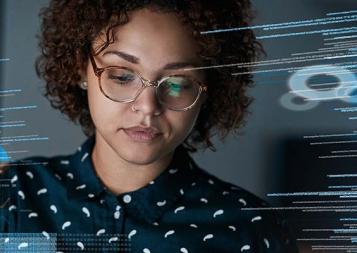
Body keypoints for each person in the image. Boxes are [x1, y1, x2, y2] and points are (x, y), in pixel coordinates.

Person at [0, 0, 298, 252]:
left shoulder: (253, 229)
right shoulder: (12, 195)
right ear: (81, 69)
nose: (147, 106)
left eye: (178, 83)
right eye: (121, 76)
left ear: (209, 89)